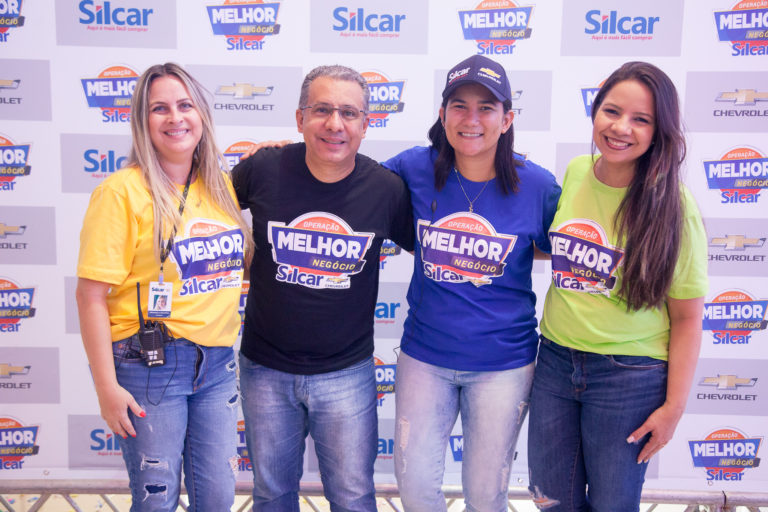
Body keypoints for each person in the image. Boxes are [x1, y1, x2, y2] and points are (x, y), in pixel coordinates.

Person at [382, 55, 561, 511]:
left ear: (507, 119)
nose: (472, 119)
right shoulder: (411, 168)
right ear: (442, 116)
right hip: (425, 358)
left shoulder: (537, 185)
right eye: (459, 106)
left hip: (503, 365)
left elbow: (556, 246)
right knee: (417, 490)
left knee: (486, 496)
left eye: (486, 108)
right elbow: (346, 185)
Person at [527, 61, 708, 511]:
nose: (621, 127)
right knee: (552, 502)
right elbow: (556, 244)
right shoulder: (574, 171)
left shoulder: (675, 206)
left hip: (629, 375)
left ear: (658, 131)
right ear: (595, 112)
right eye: (611, 111)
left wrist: (674, 409)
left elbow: (687, 318)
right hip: (554, 361)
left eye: (641, 119)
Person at [232, 65, 414, 511]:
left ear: (366, 125)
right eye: (321, 110)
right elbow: (200, 209)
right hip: (265, 370)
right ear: (299, 119)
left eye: (349, 113)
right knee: (272, 496)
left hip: (347, 374)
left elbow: (437, 253)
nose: (335, 124)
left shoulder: (386, 189)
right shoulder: (262, 169)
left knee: (353, 498)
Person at [76, 62, 253, 512]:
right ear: (142, 121)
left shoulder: (221, 189)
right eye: (159, 108)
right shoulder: (120, 192)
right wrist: (105, 388)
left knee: (216, 500)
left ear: (202, 116)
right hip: (148, 365)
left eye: (184, 105)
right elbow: (90, 296)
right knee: (156, 502)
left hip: (216, 365)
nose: (175, 118)